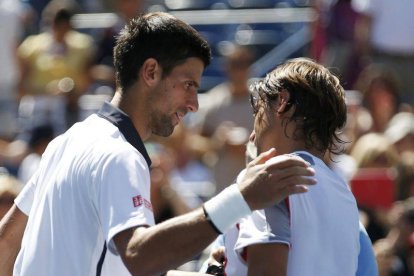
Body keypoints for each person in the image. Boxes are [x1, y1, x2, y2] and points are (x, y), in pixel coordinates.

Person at [0, 12, 316, 276]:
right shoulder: (120, 156)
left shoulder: (68, 140)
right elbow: (140, 257)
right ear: (150, 72)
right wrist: (241, 197)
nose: (194, 103)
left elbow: (6, 242)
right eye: (188, 85)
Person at [229, 58, 360, 275]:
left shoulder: (269, 176)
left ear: (282, 101)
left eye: (257, 110)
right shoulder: (345, 194)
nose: (252, 133)